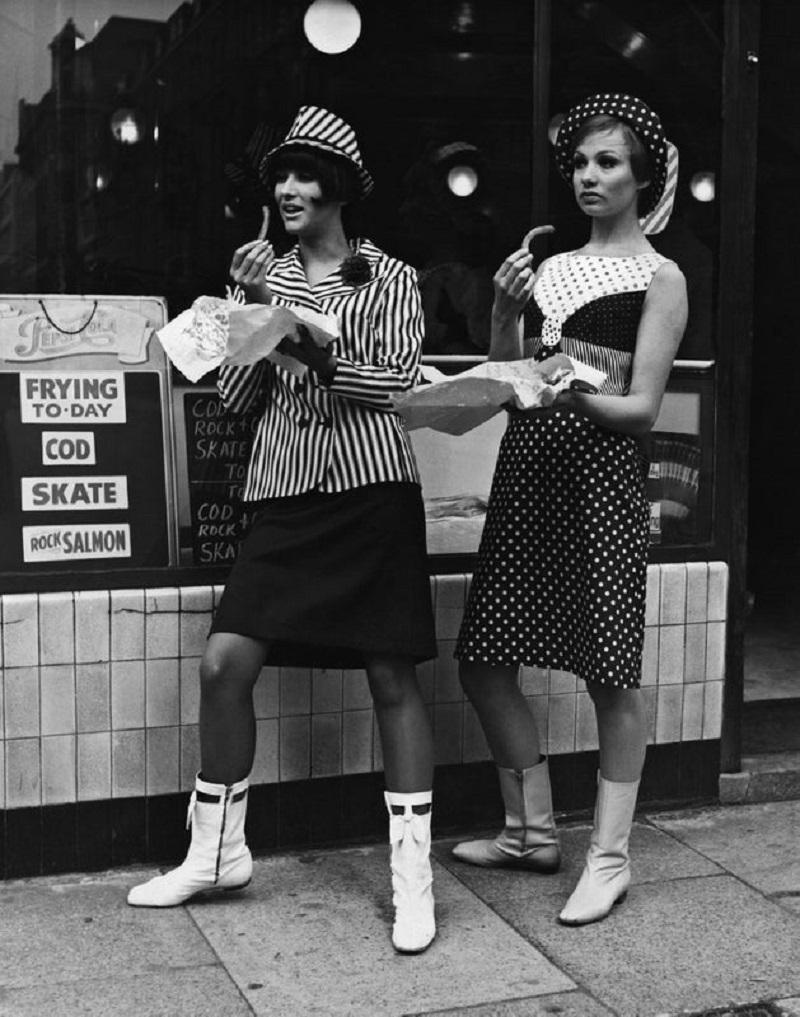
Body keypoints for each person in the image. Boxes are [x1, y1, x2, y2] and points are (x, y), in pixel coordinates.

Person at [128, 106, 438, 955]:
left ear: (340, 186)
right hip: (282, 490)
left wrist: (289, 320)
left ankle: (414, 883)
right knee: (225, 661)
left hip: (372, 487)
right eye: (281, 177)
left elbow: (392, 382)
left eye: (305, 176)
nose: (289, 189)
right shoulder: (259, 274)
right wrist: (245, 312)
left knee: (390, 675)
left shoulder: (391, 276)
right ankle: (218, 853)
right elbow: (233, 399)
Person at [452, 94, 688, 926]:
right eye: (581, 162)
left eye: (609, 162)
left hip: (601, 480)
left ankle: (610, 857)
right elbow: (508, 385)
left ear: (641, 174)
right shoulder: (549, 268)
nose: (590, 176)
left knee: (609, 669)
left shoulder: (662, 277)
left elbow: (641, 411)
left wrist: (571, 386)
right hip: (530, 473)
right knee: (482, 656)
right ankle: (530, 833)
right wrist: (505, 313)